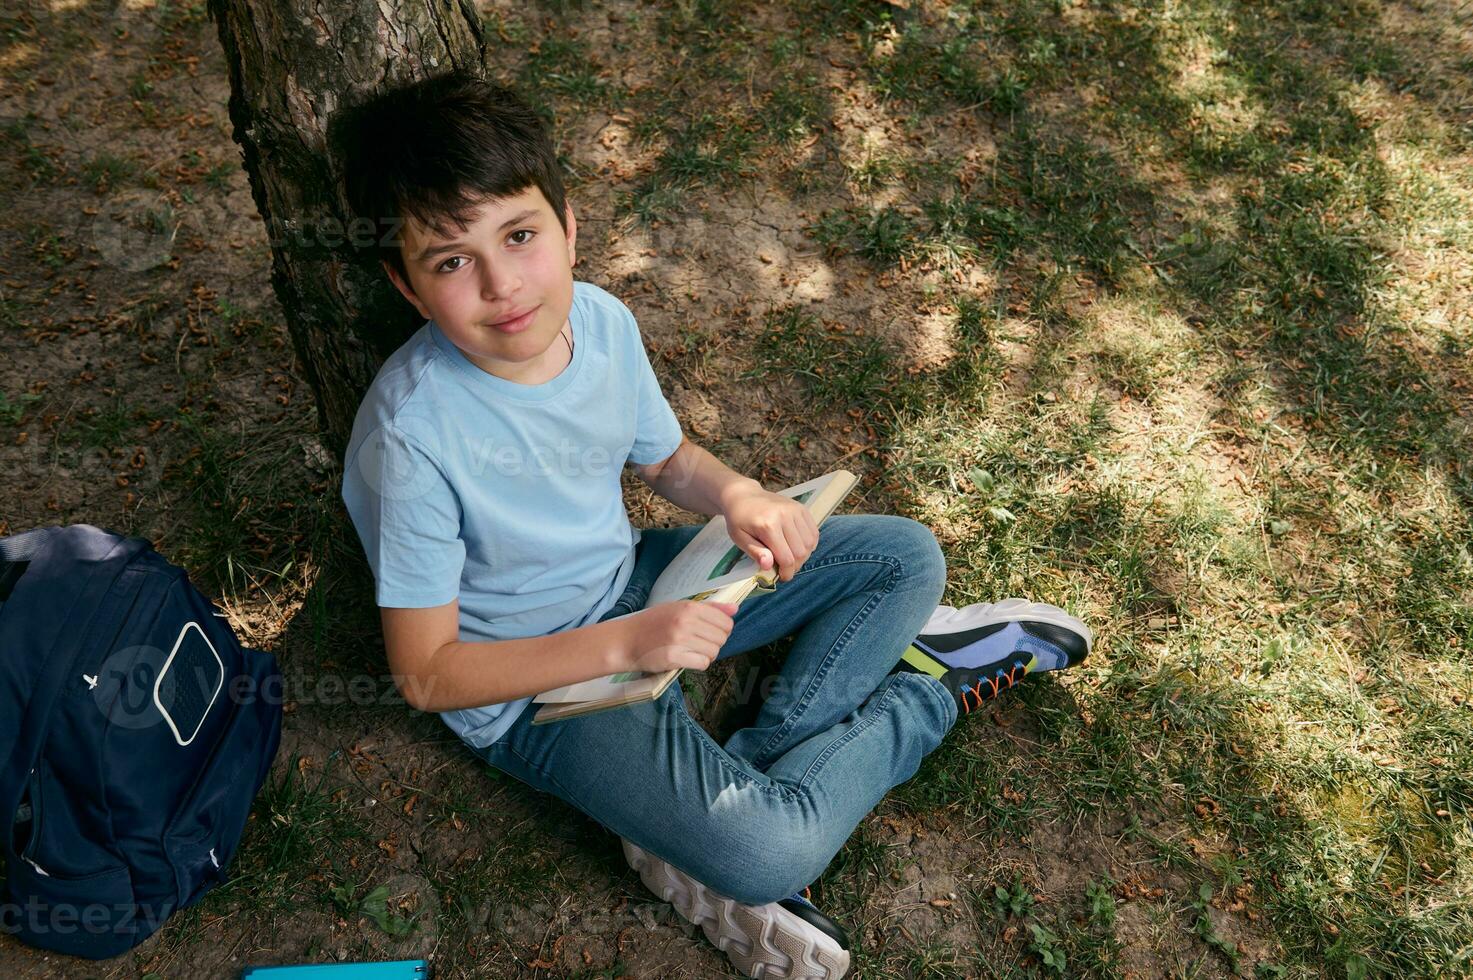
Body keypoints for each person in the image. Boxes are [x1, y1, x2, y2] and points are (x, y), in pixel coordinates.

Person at [332, 69, 1092, 980]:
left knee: (901, 556)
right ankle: (924, 694)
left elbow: (664, 461)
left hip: (635, 580)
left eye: (521, 236)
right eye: (452, 262)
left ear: (570, 228)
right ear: (407, 287)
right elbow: (425, 675)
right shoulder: (410, 440)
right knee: (770, 853)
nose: (503, 285)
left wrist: (739, 497)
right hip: (541, 694)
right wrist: (628, 643)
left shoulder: (602, 323)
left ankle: (757, 764)